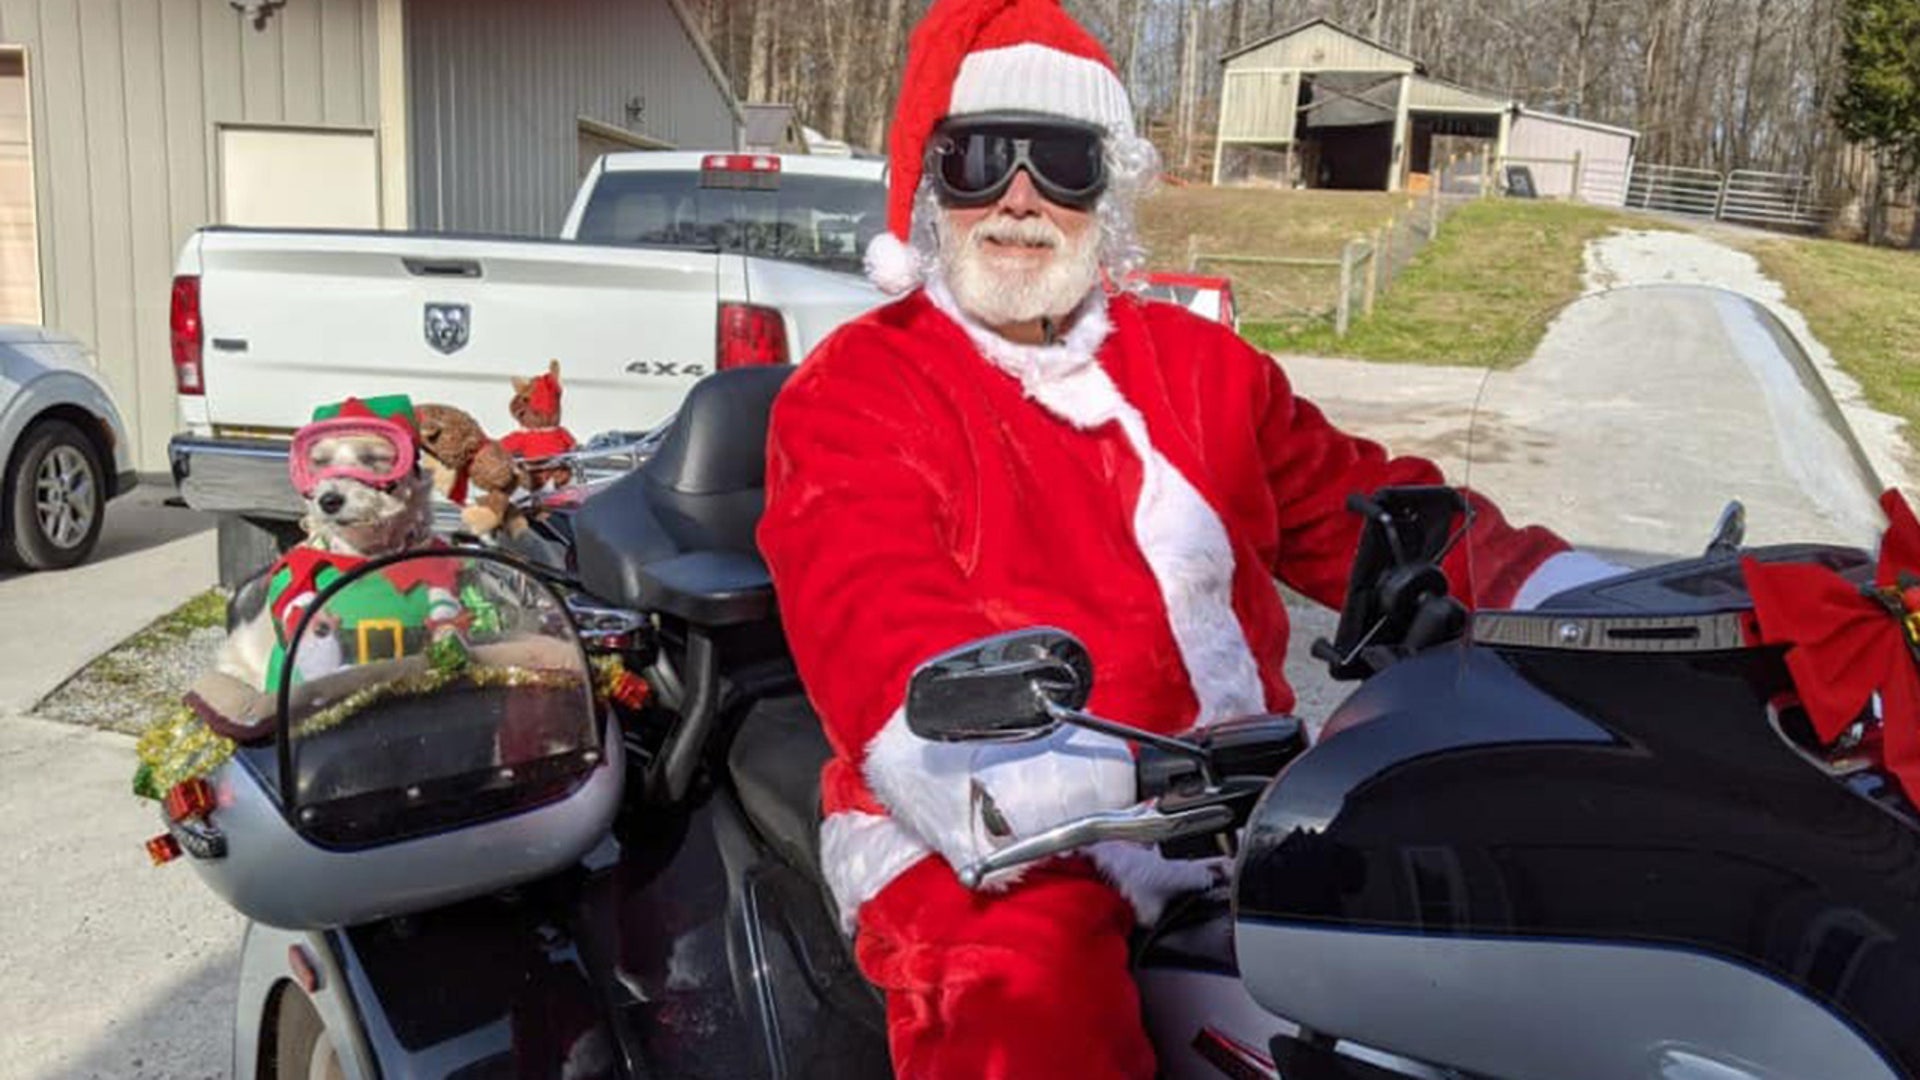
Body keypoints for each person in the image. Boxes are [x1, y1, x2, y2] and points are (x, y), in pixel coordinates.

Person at [756, 1, 1604, 1075]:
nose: (1019, 199)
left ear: (1106, 185)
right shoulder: (862, 386)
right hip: (998, 832)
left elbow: (1366, 512)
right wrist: (1018, 772)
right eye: (979, 161)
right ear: (935, 187)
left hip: (1244, 801)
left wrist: (1564, 591)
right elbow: (869, 601)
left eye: (1058, 161)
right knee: (1023, 996)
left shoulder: (1204, 368)